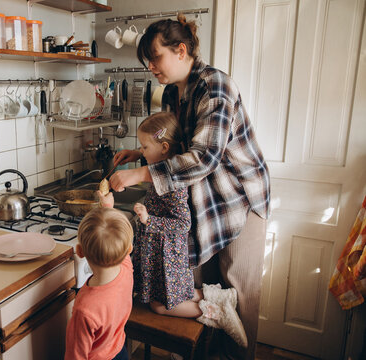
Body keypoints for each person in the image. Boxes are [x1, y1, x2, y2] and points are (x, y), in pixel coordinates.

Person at [109, 14, 270, 360]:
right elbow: (178, 143)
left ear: (181, 51)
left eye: (155, 58)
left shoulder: (216, 87)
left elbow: (204, 157)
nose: (150, 66)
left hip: (237, 202)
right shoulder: (171, 93)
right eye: (147, 61)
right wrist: (139, 152)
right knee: (206, 292)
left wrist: (138, 176)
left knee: (240, 294)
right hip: (203, 203)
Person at [100, 112, 247, 348]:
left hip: (168, 255)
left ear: (165, 148)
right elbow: (156, 150)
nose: (142, 151)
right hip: (159, 254)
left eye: (144, 146)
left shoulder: (174, 186)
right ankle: (218, 296)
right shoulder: (161, 165)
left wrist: (149, 220)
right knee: (180, 292)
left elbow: (182, 225)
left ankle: (217, 313)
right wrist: (140, 153)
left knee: (160, 306)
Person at [64, 207, 134, 360]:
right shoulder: (126, 269)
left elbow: (75, 356)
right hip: (119, 351)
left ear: (80, 252)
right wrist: (108, 207)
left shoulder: (84, 310)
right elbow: (113, 238)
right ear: (129, 249)